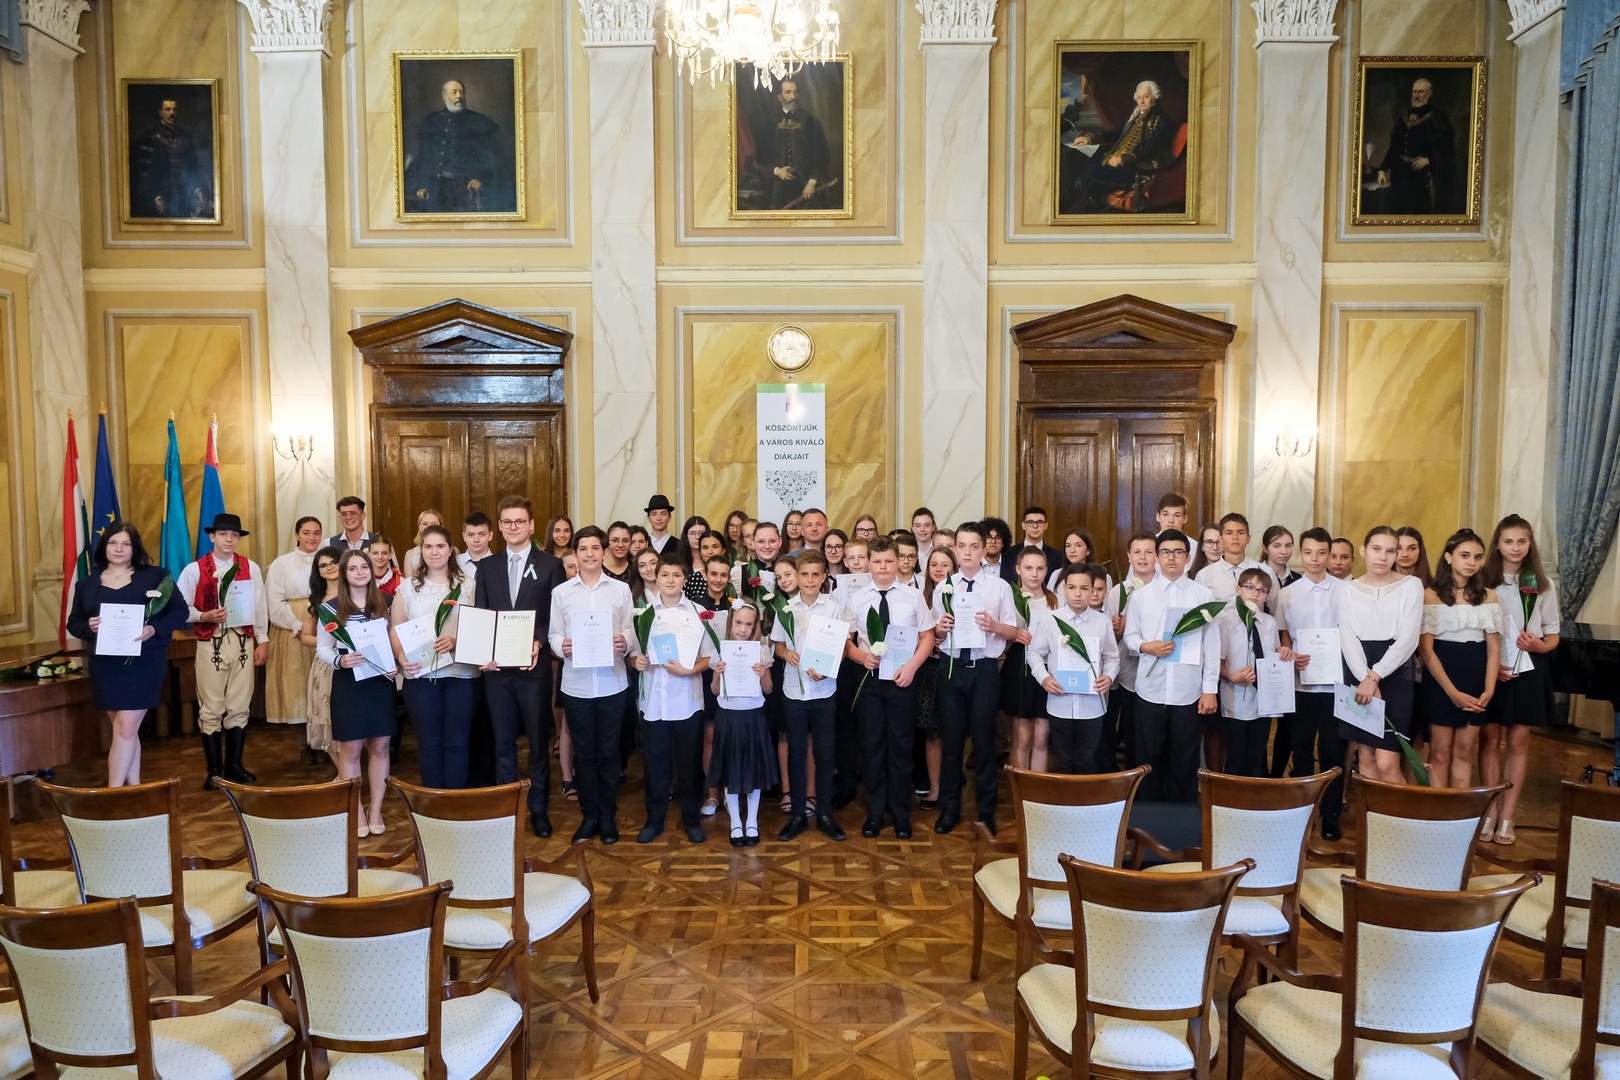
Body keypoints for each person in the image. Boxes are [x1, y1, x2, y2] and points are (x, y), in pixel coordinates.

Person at [66, 522, 188, 786]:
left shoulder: (156, 576)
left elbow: (180, 612)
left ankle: (114, 795)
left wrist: (153, 628)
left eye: (126, 544)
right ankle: (135, 789)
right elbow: (73, 623)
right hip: (105, 665)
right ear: (104, 546)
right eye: (113, 543)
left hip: (144, 663)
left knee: (126, 727)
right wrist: (89, 626)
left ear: (135, 548)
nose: (119, 549)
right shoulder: (87, 584)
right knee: (125, 730)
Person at [473, 495, 567, 838]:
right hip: (497, 672)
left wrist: (538, 641)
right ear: (500, 527)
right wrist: (482, 651)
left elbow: (554, 617)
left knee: (538, 744)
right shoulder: (487, 567)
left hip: (533, 670)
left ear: (531, 525)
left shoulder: (551, 566)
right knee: (503, 743)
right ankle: (506, 811)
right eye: (507, 522)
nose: (514, 527)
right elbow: (482, 615)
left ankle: (539, 810)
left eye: (520, 521)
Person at [844, 537, 937, 838]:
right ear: (868, 563)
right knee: (872, 746)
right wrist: (861, 657)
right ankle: (875, 812)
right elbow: (846, 641)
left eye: (888, 561)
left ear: (898, 562)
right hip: (869, 681)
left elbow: (927, 637)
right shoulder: (858, 598)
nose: (883, 567)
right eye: (877, 561)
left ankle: (900, 812)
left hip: (902, 679)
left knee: (900, 746)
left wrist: (911, 668)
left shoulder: (912, 596)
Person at [929, 522, 1018, 834]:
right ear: (954, 549)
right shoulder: (944, 587)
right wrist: (941, 629)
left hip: (984, 669)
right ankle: (949, 808)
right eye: (962, 546)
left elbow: (1013, 631)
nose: (967, 552)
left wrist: (994, 626)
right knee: (952, 740)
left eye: (974, 546)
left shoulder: (999, 587)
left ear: (984, 549)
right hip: (951, 668)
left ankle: (986, 812)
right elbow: (935, 635)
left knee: (983, 742)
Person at [548, 526, 634, 845]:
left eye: (595, 548)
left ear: (604, 552)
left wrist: (625, 641)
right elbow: (554, 634)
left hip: (613, 683)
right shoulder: (562, 593)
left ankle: (608, 817)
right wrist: (562, 646)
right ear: (575, 554)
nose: (589, 554)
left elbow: (631, 629)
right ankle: (589, 817)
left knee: (609, 753)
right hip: (577, 686)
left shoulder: (620, 590)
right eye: (583, 549)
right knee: (584, 754)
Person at [1479, 514, 1560, 846]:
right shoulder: (1483, 580)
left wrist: (1541, 645)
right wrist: (1491, 666)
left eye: (1522, 541)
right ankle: (1489, 812)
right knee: (1489, 740)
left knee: (1519, 742)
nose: (1515, 547)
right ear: (1498, 545)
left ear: (1530, 544)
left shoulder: (1542, 583)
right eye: (1509, 541)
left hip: (1528, 665)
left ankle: (1508, 817)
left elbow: (1553, 632)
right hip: (1491, 666)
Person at [1122, 529, 1220, 803]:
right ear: (1157, 557)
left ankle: (1181, 820)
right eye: (1165, 552)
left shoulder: (1203, 595)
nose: (1171, 558)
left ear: (1188, 557)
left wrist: (1210, 689)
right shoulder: (1142, 596)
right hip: (1150, 690)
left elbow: (1211, 644)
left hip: (1188, 692)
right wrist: (1147, 647)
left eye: (1178, 552)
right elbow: (1130, 636)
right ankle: (1148, 818)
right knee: (1148, 759)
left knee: (1185, 759)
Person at [628, 551, 715, 844]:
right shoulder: (643, 614)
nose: (670, 580)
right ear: (656, 577)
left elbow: (710, 657)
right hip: (653, 701)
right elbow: (633, 653)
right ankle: (654, 820)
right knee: (655, 764)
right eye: (664, 574)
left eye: (676, 575)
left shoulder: (698, 613)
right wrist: (637, 662)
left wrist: (690, 669)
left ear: (685, 579)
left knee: (689, 764)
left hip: (687, 700)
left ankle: (691, 819)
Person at [177, 513, 269, 789]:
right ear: (212, 536)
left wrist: (262, 640)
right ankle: (215, 770)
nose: (229, 539)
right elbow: (179, 608)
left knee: (240, 704)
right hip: (211, 643)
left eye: (234, 535)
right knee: (212, 706)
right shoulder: (194, 570)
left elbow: (260, 605)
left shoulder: (250, 567)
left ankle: (235, 765)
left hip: (243, 642)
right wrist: (202, 616)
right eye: (223, 534)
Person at [315, 550, 398, 836]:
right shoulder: (330, 608)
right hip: (349, 682)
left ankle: (376, 809)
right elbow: (322, 648)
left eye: (364, 567)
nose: (360, 572)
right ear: (344, 573)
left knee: (380, 746)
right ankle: (357, 811)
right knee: (350, 749)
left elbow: (395, 641)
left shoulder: (387, 603)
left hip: (380, 683)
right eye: (353, 568)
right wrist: (340, 660)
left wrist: (396, 664)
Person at [390, 525, 477, 790]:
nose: (434, 552)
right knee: (428, 742)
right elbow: (396, 627)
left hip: (461, 675)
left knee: (457, 742)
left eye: (440, 546)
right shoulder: (407, 588)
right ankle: (433, 800)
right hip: (421, 676)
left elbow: (480, 626)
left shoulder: (468, 585)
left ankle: (455, 799)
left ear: (451, 550)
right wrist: (401, 657)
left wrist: (456, 641)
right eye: (428, 546)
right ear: (421, 551)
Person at [772, 550, 850, 841]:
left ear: (824, 577)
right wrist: (786, 654)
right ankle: (797, 815)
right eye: (804, 574)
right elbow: (778, 645)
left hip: (824, 690)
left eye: (816, 574)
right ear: (797, 576)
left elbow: (843, 647)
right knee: (796, 751)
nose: (809, 580)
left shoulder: (833, 607)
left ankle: (825, 814)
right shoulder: (786, 608)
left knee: (825, 752)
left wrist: (829, 669)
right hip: (794, 690)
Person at [1338, 526, 1425, 785]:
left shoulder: (1411, 585)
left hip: (1395, 672)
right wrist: (1364, 678)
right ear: (1364, 551)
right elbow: (1348, 638)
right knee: (1366, 756)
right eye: (1376, 549)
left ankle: (1400, 812)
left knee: (1387, 761)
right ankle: (1373, 812)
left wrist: (1375, 677)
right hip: (1357, 670)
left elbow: (1408, 639)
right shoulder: (1347, 589)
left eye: (1390, 551)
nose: (1383, 557)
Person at [1275, 528, 1347, 839]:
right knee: (1301, 749)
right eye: (1308, 552)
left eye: (1321, 553)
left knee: (1333, 751)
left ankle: (1331, 814)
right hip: (1300, 685)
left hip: (1334, 685)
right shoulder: (1287, 593)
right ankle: (1302, 812)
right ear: (1300, 554)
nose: (1314, 559)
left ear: (1329, 554)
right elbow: (1284, 635)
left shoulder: (1345, 590)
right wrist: (1291, 654)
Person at [1418, 529, 1502, 791]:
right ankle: (1439, 809)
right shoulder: (1430, 595)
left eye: (1477, 557)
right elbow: (1426, 650)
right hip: (1441, 678)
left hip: (1475, 676)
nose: (1471, 562)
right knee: (1440, 750)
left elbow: (1494, 648)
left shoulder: (1488, 597)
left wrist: (1489, 689)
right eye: (1464, 555)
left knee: (1464, 750)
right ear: (1448, 557)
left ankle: (1459, 811)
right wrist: (1452, 692)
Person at [1028, 563, 1120, 775]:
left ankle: (1085, 798)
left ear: (1093, 590)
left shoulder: (1102, 622)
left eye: (1084, 588)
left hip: (1092, 705)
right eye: (1072, 588)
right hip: (1060, 701)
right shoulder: (1051, 620)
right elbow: (1034, 654)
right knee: (1063, 760)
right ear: (1064, 589)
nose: (1078, 594)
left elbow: (1112, 656)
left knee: (1087, 761)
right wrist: (1044, 678)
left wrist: (1108, 676)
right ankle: (1063, 798)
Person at [708, 601, 778, 846]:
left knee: (753, 770)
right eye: (738, 623)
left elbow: (768, 689)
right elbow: (715, 691)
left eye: (749, 624)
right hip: (728, 717)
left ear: (755, 626)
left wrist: (763, 674)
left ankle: (752, 821)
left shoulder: (761, 652)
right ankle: (736, 822)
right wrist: (717, 674)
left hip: (753, 716)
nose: (743, 629)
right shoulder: (721, 651)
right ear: (730, 623)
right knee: (731, 769)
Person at [1063, 80, 1180, 214]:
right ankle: (1081, 202)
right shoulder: (1135, 119)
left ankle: (1079, 205)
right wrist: (1090, 139)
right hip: (1119, 164)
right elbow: (1115, 134)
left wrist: (1124, 158)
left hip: (1138, 169)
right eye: (1139, 97)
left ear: (1155, 98)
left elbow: (1151, 150)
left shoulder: (1163, 122)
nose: (1141, 101)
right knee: (1088, 162)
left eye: (1146, 97)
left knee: (1093, 172)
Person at [1216, 569, 1287, 778]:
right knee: (1236, 756)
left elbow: (1273, 655)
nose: (1256, 594)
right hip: (1235, 700)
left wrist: (1283, 654)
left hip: (1263, 701)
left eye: (1263, 590)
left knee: (1257, 756)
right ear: (1238, 589)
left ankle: (1255, 796)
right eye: (1250, 588)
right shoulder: (1226, 623)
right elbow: (1217, 662)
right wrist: (1232, 677)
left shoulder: (1269, 623)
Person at [404, 79, 512, 214]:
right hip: (437, 187)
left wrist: (480, 178)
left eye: (461, 92)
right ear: (444, 96)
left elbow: (491, 158)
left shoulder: (478, 121)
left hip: (467, 188)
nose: (459, 96)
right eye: (454, 92)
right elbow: (424, 157)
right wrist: (422, 185)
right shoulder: (431, 121)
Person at [266, 517, 323, 763]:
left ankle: (323, 742)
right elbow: (274, 602)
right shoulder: (282, 564)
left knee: (321, 685)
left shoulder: (329, 560)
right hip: (291, 629)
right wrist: (298, 626)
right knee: (296, 687)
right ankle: (305, 744)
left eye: (316, 532)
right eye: (306, 532)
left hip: (323, 624)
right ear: (297, 535)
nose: (311, 537)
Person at [1100, 531, 1158, 774]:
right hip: (1124, 671)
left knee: (1141, 732)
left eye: (1148, 552)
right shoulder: (1117, 592)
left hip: (1155, 672)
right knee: (1115, 727)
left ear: (1157, 556)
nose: (1142, 558)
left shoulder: (1164, 590)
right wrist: (1118, 632)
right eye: (1137, 552)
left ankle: (1142, 775)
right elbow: (1107, 640)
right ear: (1129, 556)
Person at [744, 75, 833, 211]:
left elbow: (822, 155)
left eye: (795, 92)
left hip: (805, 186)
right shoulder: (769, 123)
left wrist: (812, 182)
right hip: (776, 188)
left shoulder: (810, 121)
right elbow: (760, 157)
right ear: (779, 97)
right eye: (788, 92)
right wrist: (777, 171)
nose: (793, 96)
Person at [1004, 548, 1056, 772]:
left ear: (1046, 570)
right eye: (1028, 568)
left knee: (1042, 736)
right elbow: (1000, 634)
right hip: (1019, 667)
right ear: (1018, 569)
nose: (1034, 574)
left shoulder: (1055, 600)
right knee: (1023, 736)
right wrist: (1013, 634)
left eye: (1039, 568)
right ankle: (1021, 788)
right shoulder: (1010, 598)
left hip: (1047, 669)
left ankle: (1039, 788)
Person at [1374, 78, 1457, 215]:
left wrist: (1429, 160)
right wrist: (1382, 170)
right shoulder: (1403, 117)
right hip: (1400, 175)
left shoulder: (1437, 117)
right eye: (1414, 91)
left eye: (1421, 92)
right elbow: (1394, 148)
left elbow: (1448, 150)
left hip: (1422, 178)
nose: (1416, 95)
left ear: (1429, 94)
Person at [916, 546, 957, 805]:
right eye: (934, 564)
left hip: (954, 667)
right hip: (929, 670)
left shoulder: (962, 595)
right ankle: (935, 788)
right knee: (932, 732)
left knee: (953, 731)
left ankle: (952, 787)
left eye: (945, 565)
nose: (939, 569)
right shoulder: (920, 597)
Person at [130, 96, 213, 219]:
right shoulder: (149, 137)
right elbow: (144, 174)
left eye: (174, 109)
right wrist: (156, 196)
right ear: (160, 112)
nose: (172, 113)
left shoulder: (185, 137)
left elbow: (192, 167)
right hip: (159, 197)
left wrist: (197, 189)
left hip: (182, 196)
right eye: (168, 109)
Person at [300, 547, 344, 768]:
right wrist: (330, 643)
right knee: (325, 718)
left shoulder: (355, 593)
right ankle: (342, 772)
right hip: (325, 665)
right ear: (318, 571)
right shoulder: (317, 600)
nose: (329, 567)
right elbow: (305, 636)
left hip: (351, 662)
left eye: (334, 562)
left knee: (345, 718)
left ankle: (350, 769)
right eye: (323, 565)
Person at [1195, 513, 1267, 602]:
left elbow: (1274, 608)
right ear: (1220, 539)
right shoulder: (1204, 575)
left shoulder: (1265, 571)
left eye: (1240, 533)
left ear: (1248, 538)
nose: (1235, 537)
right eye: (1229, 533)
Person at [401, 509, 451, 579]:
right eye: (425, 524)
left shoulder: (451, 550)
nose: (429, 527)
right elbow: (408, 582)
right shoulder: (410, 554)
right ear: (419, 526)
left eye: (434, 524)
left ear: (441, 526)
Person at [675, 516, 714, 602]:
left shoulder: (714, 562)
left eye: (701, 533)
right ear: (686, 537)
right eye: (692, 533)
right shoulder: (679, 563)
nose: (697, 537)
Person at [1017, 507, 1063, 572]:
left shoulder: (1058, 556)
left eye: (1040, 522)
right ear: (1023, 525)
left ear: (1046, 525)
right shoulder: (1009, 554)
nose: (1035, 526)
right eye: (1030, 522)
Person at [980, 517, 1014, 584]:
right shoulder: (973, 565)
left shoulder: (1013, 566)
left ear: (1003, 542)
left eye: (998, 538)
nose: (993, 541)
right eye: (988, 537)